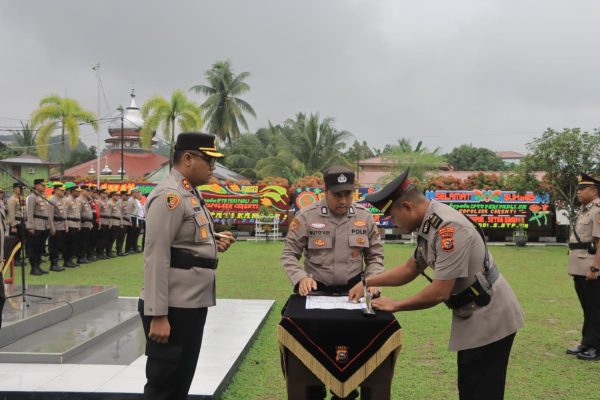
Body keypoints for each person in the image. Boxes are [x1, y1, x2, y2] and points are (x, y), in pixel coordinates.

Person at [349, 170, 524, 400]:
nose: (393, 223)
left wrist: (396, 305)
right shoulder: (429, 223)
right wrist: (367, 281)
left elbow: (440, 292)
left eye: (392, 216)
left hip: (490, 313)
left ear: (407, 207)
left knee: (480, 389)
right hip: (473, 309)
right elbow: (410, 269)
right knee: (471, 385)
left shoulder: (449, 228)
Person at [138, 132, 235, 400]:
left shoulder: (188, 193)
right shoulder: (170, 196)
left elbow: (184, 240)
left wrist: (213, 240)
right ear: (188, 159)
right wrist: (158, 315)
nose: (213, 167)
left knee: (180, 384)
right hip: (173, 307)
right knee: (164, 387)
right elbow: (156, 255)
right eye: (209, 160)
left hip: (190, 302)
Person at [280, 165, 384, 400]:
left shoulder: (364, 217)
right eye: (337, 194)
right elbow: (288, 254)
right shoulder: (307, 216)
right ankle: (314, 390)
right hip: (317, 295)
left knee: (351, 355)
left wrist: (371, 281)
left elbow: (375, 257)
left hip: (353, 297)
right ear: (325, 190)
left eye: (348, 194)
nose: (343, 200)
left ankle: (347, 391)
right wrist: (300, 277)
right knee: (311, 356)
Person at [565, 173, 600, 361]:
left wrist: (595, 268)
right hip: (580, 268)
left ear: (593, 191)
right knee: (588, 308)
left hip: (591, 269)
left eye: (582, 189)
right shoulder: (584, 210)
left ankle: (596, 347)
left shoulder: (597, 210)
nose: (578, 192)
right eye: (578, 189)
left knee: (595, 309)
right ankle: (587, 343)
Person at [25, 178, 49, 275]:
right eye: (42, 185)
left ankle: (38, 266)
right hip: (36, 225)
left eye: (44, 185)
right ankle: (33, 268)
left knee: (40, 247)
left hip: (43, 225)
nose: (44, 186)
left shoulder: (42, 197)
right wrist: (30, 226)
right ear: (36, 185)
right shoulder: (32, 197)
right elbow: (30, 212)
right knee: (34, 247)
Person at [47, 183, 67, 272]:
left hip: (62, 226)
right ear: (55, 190)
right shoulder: (52, 200)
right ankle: (53, 264)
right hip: (56, 226)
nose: (63, 192)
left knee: (59, 246)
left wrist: (66, 226)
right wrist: (52, 227)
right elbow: (50, 215)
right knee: (54, 246)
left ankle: (56, 263)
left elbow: (64, 215)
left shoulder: (61, 200)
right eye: (61, 190)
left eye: (63, 190)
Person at [6, 183, 24, 266]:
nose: (21, 190)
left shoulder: (20, 198)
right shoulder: (12, 199)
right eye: (19, 188)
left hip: (21, 222)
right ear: (14, 189)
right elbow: (11, 213)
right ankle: (14, 259)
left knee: (21, 242)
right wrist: (13, 225)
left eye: (21, 188)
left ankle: (18, 258)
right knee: (15, 242)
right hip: (15, 223)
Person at [63, 184, 81, 268]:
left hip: (76, 224)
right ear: (72, 192)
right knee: (69, 243)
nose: (79, 193)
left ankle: (70, 260)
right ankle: (67, 261)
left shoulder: (76, 200)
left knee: (73, 243)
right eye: (77, 191)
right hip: (70, 224)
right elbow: (65, 214)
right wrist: (66, 226)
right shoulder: (68, 200)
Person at [77, 185, 94, 264]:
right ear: (82, 191)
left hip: (88, 224)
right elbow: (78, 212)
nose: (89, 192)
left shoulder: (86, 199)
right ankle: (80, 257)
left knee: (86, 241)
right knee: (82, 242)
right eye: (87, 191)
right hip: (83, 224)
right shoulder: (79, 200)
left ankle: (83, 256)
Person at [126, 189, 144, 253]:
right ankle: (127, 249)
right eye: (136, 193)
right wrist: (130, 221)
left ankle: (134, 248)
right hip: (132, 218)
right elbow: (128, 212)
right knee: (130, 234)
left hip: (135, 218)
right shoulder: (130, 200)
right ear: (133, 193)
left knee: (134, 234)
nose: (137, 194)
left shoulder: (135, 200)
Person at [98, 189, 112, 259]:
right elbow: (98, 213)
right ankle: (99, 253)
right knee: (101, 238)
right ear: (101, 194)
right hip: (102, 221)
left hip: (106, 222)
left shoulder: (105, 202)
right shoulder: (99, 201)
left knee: (105, 238)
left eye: (107, 194)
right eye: (105, 193)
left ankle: (102, 252)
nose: (106, 195)